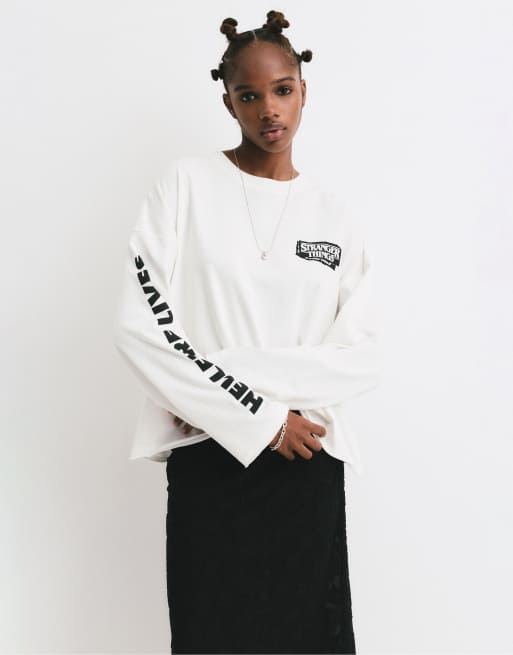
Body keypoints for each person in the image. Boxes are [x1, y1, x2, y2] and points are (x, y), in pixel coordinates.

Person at [113, 9, 381, 654]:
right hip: (212, 458)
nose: (269, 109)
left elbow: (364, 354)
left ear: (303, 90)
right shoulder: (185, 185)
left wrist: (224, 373)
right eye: (249, 94)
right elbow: (139, 326)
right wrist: (258, 416)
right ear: (227, 100)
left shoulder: (335, 214)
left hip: (306, 459)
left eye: (282, 90)